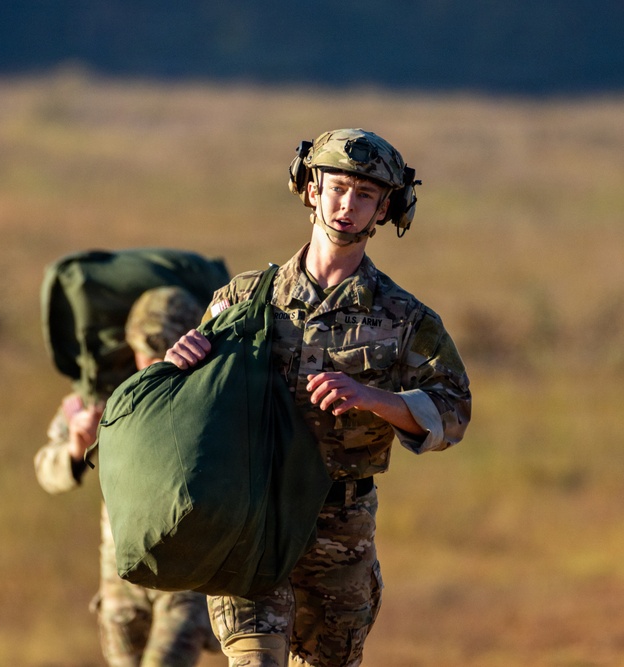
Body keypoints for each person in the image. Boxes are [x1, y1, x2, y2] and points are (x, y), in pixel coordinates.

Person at [165, 128, 472, 667]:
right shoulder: (242, 299)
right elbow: (187, 408)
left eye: (365, 195)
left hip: (340, 537)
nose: (346, 206)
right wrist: (178, 365)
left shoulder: (407, 320)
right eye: (335, 189)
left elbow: (453, 411)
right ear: (309, 189)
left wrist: (374, 399)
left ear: (386, 210)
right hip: (251, 524)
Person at [35, 286, 221, 667]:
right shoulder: (102, 397)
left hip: (184, 582)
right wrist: (76, 447)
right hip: (121, 586)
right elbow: (45, 470)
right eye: (144, 351)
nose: (152, 361)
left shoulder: (212, 395)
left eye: (163, 350)